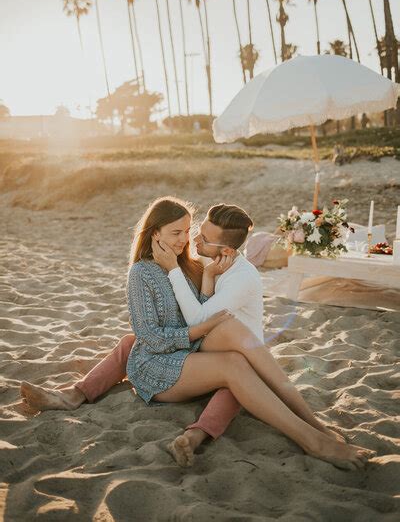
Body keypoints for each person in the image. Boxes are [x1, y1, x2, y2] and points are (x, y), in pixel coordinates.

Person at [21, 197, 375, 470]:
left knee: (238, 362)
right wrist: (199, 330)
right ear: (154, 233)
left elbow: (198, 308)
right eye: (175, 233)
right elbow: (152, 338)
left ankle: (297, 429)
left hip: (186, 359)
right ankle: (312, 439)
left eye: (187, 232)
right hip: (158, 365)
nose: (183, 240)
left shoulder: (188, 264)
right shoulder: (141, 274)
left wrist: (204, 281)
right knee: (231, 364)